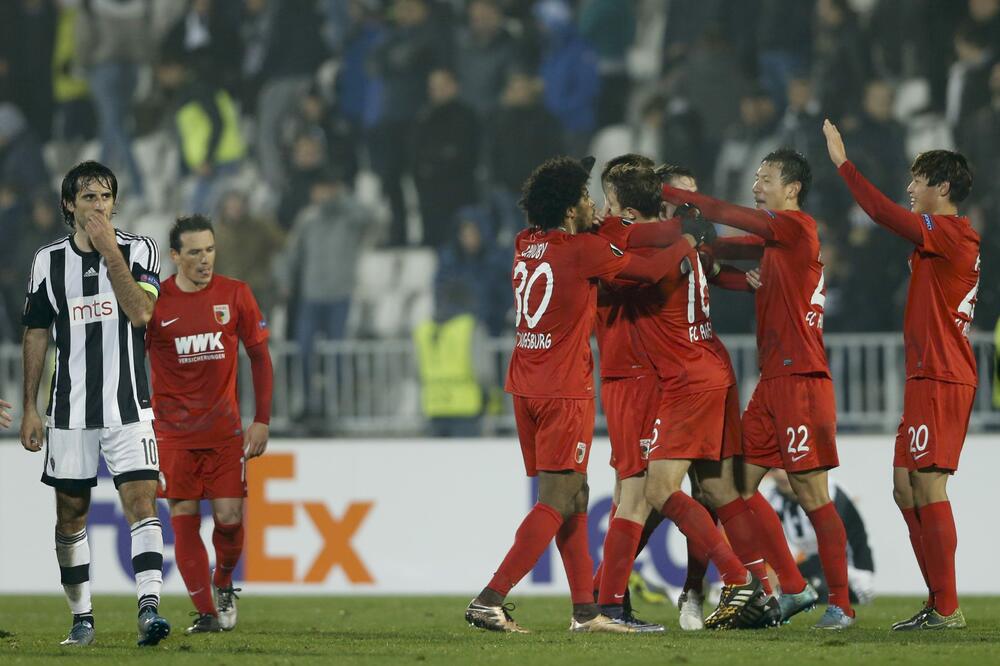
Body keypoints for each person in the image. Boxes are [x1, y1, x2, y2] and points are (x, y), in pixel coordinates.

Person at [463, 156, 696, 634]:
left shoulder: (525, 242)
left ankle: (585, 612)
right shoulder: (581, 251)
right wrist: (685, 242)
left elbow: (607, 232)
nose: (595, 203)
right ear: (570, 210)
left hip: (524, 385)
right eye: (587, 197)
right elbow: (647, 269)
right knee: (559, 497)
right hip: (562, 390)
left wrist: (613, 217)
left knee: (574, 496)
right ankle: (490, 597)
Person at [662, 148, 854, 630]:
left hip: (801, 380)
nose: (756, 183)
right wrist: (690, 247)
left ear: (791, 189)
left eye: (766, 177)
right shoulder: (774, 242)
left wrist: (671, 195)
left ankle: (841, 605)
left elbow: (728, 218)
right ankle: (790, 587)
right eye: (756, 175)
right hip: (773, 381)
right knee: (735, 488)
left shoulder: (796, 226)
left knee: (812, 494)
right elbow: (724, 248)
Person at [595, 161, 774, 631]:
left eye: (611, 203)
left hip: (681, 380)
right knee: (715, 489)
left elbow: (631, 262)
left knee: (650, 491)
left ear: (632, 209)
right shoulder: (688, 247)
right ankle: (769, 590)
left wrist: (594, 241)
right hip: (708, 370)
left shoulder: (657, 249)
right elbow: (712, 260)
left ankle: (737, 580)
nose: (605, 211)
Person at [824, 120, 979, 630]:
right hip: (923, 377)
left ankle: (948, 608)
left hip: (943, 375)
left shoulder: (954, 233)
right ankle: (938, 602)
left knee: (930, 489)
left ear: (944, 188)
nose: (909, 188)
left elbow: (879, 212)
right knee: (904, 489)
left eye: (918, 180)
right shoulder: (938, 241)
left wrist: (844, 165)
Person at [20, 161, 168, 646]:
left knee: (142, 501)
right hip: (68, 411)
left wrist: (109, 251)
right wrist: (30, 406)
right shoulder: (48, 262)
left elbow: (142, 311)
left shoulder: (138, 249)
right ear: (69, 205)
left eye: (105, 197)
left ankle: (149, 609)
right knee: (70, 513)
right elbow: (36, 332)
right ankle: (81, 617)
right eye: (88, 198)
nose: (99, 206)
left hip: (129, 406)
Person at [145, 214, 273, 635]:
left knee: (230, 518)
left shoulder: (236, 294)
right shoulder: (156, 303)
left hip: (225, 432)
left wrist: (261, 420)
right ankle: (205, 614)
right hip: (174, 435)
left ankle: (222, 581)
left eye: (210, 250)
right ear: (175, 256)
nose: (205, 260)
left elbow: (259, 357)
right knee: (183, 515)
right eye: (195, 252)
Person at [765, 470, 876, 607]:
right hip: (816, 561)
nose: (781, 475)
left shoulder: (827, 489)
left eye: (784, 468)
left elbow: (838, 539)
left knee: (814, 590)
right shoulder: (775, 497)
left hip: (849, 563)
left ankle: (852, 588)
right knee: (795, 586)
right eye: (775, 470)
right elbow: (767, 540)